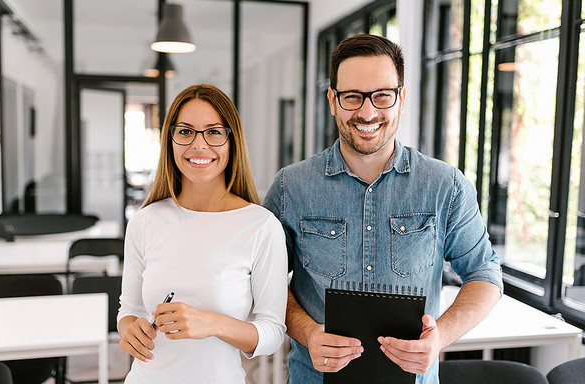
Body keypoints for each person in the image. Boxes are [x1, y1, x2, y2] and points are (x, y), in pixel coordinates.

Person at [264, 34, 503, 384]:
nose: (367, 111)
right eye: (351, 97)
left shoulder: (445, 185)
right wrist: (307, 333)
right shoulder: (290, 188)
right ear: (333, 101)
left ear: (401, 98)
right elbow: (264, 282)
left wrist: (441, 337)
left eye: (382, 96)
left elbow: (484, 273)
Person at [118, 84, 288, 383]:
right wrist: (130, 329)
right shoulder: (145, 221)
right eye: (185, 131)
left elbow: (273, 333)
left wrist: (212, 323)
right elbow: (129, 310)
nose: (198, 145)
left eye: (214, 132)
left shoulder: (261, 226)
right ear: (170, 140)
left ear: (231, 141)